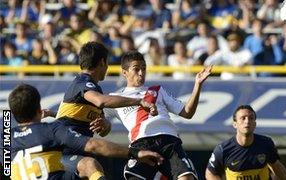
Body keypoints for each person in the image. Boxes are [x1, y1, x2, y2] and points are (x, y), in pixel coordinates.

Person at [9, 84, 163, 180]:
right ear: (38, 109)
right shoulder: (51, 130)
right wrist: (136, 153)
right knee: (90, 165)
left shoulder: (6, 138)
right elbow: (94, 145)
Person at [104, 51, 212, 179]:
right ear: (124, 72)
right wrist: (103, 124)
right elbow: (102, 122)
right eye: (136, 69)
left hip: (169, 142)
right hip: (142, 143)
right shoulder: (115, 98)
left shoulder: (157, 90)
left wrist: (198, 85)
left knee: (186, 178)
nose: (141, 73)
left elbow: (187, 112)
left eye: (144, 69)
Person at [55, 42, 157, 178]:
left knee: (93, 166)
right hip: (62, 154)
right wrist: (138, 101)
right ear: (102, 62)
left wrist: (104, 125)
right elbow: (102, 101)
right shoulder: (82, 83)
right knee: (90, 165)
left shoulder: (93, 88)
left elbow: (104, 130)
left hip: (77, 153)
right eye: (107, 62)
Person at [205, 105, 286, 180]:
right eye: (243, 118)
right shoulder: (223, 149)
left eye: (251, 118)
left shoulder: (266, 143)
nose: (247, 121)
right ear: (235, 124)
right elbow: (210, 173)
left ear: (255, 124)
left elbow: (276, 166)